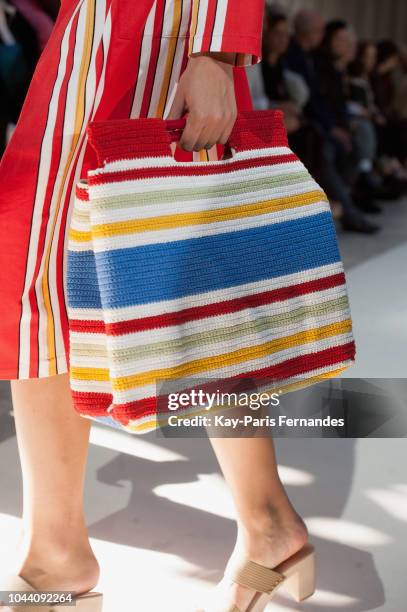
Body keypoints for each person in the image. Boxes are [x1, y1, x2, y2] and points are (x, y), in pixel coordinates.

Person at [0, 2, 315, 611]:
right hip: (90, 36)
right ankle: (56, 550)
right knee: (45, 272)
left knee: (184, 281)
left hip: (165, 38)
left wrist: (217, 49)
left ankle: (267, 521)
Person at [285, 10, 380, 234]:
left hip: (316, 124)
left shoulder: (311, 58)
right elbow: (312, 102)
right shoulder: (298, 57)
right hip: (307, 125)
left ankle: (345, 201)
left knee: (350, 145)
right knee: (325, 150)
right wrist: (333, 129)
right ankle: (343, 209)